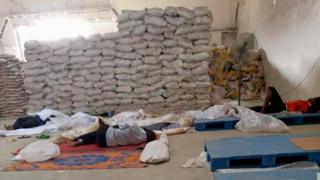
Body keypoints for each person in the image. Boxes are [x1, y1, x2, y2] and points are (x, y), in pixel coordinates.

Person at [69, 118, 159, 147]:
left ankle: (78, 137)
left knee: (96, 133)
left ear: (147, 131)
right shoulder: (138, 142)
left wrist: (112, 127)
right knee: (96, 138)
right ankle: (81, 142)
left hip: (104, 133)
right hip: (104, 144)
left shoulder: (138, 129)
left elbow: (122, 125)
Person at [4, 109, 69, 130]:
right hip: (37, 116)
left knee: (24, 125)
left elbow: (56, 121)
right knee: (20, 119)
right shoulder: (51, 111)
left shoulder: (59, 116)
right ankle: (13, 127)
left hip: (39, 121)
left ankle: (13, 128)